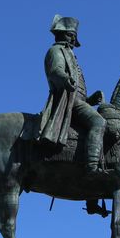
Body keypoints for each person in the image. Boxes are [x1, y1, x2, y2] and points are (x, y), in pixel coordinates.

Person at [37, 14, 106, 173]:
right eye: (70, 35)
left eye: (74, 37)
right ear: (61, 34)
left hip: (78, 101)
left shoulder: (70, 54)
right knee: (99, 122)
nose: (73, 40)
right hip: (69, 101)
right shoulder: (56, 50)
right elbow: (56, 71)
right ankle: (92, 166)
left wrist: (89, 99)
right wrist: (65, 79)